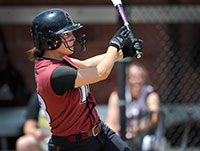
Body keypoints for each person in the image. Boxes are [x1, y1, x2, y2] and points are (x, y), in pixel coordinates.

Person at [27, 8, 143, 151]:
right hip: (73, 145)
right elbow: (101, 73)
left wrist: (124, 52)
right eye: (66, 35)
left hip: (100, 132)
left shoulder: (59, 60)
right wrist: (114, 45)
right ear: (50, 41)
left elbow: (88, 64)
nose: (73, 38)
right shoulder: (53, 72)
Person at [106, 62, 160, 151]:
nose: (137, 81)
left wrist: (135, 129)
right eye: (133, 77)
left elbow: (153, 120)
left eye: (140, 77)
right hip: (125, 134)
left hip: (145, 134)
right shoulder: (117, 95)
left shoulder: (150, 95)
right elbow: (110, 123)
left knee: (148, 143)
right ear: (127, 79)